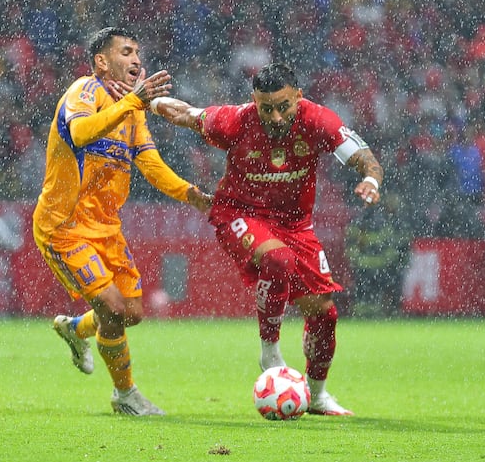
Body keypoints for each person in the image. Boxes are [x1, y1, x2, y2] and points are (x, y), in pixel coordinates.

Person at [148, 62, 383, 416]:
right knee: (278, 260)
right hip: (239, 214)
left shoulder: (319, 121)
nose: (274, 116)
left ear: (298, 97)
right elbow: (186, 114)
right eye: (266, 107)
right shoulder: (235, 121)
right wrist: (145, 102)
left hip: (295, 225)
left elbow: (366, 158)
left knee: (325, 313)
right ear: (254, 101)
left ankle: (317, 395)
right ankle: (270, 351)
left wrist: (371, 181)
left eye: (283, 106)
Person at [32, 27, 212, 416]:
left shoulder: (133, 113)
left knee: (132, 313)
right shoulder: (84, 91)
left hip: (107, 228)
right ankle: (125, 395)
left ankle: (74, 328)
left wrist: (191, 194)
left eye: (137, 52)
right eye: (125, 51)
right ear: (102, 62)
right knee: (112, 308)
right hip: (64, 225)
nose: (135, 59)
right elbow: (79, 133)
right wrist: (133, 101)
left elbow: (150, 163)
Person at [344, 191, 410, 317]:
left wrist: (357, 260)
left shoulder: (364, 220)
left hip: (371, 267)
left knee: (367, 297)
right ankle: (370, 316)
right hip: (372, 267)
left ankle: (366, 317)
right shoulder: (378, 220)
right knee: (367, 297)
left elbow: (352, 244)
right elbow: (352, 244)